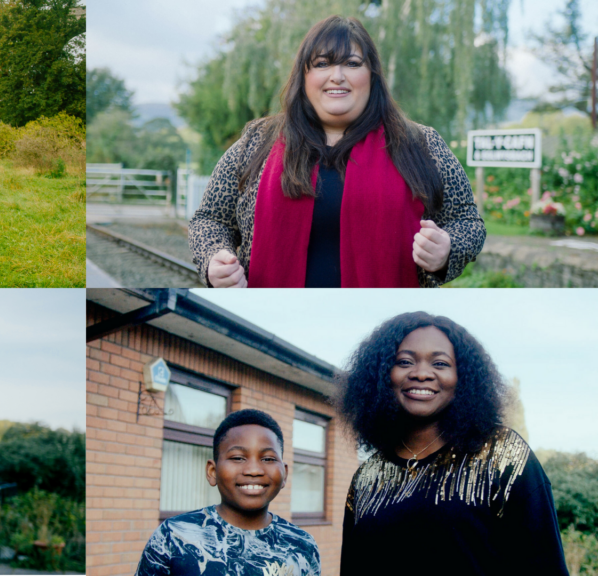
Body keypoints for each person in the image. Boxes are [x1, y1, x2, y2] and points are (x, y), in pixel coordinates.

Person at [189, 15, 485, 288]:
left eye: (353, 64)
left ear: (372, 74)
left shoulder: (422, 144)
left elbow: (467, 222)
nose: (337, 76)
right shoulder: (257, 141)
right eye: (322, 64)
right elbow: (210, 219)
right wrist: (215, 257)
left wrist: (448, 249)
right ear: (303, 76)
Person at [336, 312, 568, 576]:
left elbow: (545, 566)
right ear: (381, 375)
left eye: (440, 363)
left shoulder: (502, 455)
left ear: (464, 378)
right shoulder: (367, 477)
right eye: (404, 361)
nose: (421, 373)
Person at [135, 409, 320, 576]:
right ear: (212, 472)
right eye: (238, 458)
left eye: (268, 458)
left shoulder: (302, 545)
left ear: (285, 473)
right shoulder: (173, 538)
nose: (253, 470)